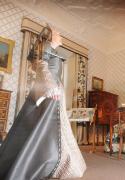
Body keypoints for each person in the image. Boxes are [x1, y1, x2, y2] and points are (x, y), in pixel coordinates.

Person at [0, 26, 86, 180]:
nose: (60, 35)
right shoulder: (49, 47)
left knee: (42, 130)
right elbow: (41, 66)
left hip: (52, 90)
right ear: (51, 37)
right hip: (50, 92)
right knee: (46, 130)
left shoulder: (51, 49)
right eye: (57, 33)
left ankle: (40, 161)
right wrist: (51, 87)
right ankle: (44, 163)